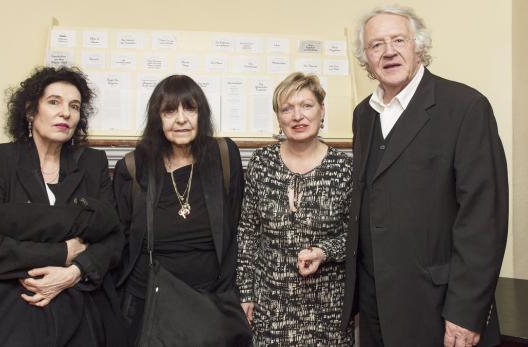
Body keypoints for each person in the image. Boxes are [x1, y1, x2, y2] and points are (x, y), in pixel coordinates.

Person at [343, 5, 509, 347]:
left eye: (398, 40)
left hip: (440, 308)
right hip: (376, 308)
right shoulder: (364, 115)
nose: (389, 51)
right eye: (376, 45)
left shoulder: (465, 107)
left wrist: (466, 312)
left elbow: (483, 219)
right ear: (366, 58)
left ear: (418, 46)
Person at [0, 67, 127, 347]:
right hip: (8, 309)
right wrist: (63, 251)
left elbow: (114, 238)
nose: (66, 113)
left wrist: (75, 271)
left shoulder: (92, 163)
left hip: (79, 309)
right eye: (54, 102)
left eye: (74, 106)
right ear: (31, 111)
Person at [112, 74, 245, 344]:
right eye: (170, 110)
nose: (181, 119)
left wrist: (233, 294)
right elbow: (120, 239)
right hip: (151, 306)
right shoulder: (133, 166)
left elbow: (238, 228)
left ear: (201, 114)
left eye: (190, 108)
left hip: (212, 306)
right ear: (157, 118)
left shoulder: (224, 156)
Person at [237, 72, 354, 346]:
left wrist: (324, 252)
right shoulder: (261, 163)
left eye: (306, 105)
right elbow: (247, 233)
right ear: (278, 117)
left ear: (322, 110)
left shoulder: (345, 168)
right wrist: (245, 293)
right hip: (270, 306)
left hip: (327, 308)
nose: (297, 116)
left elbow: (356, 237)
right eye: (287, 108)